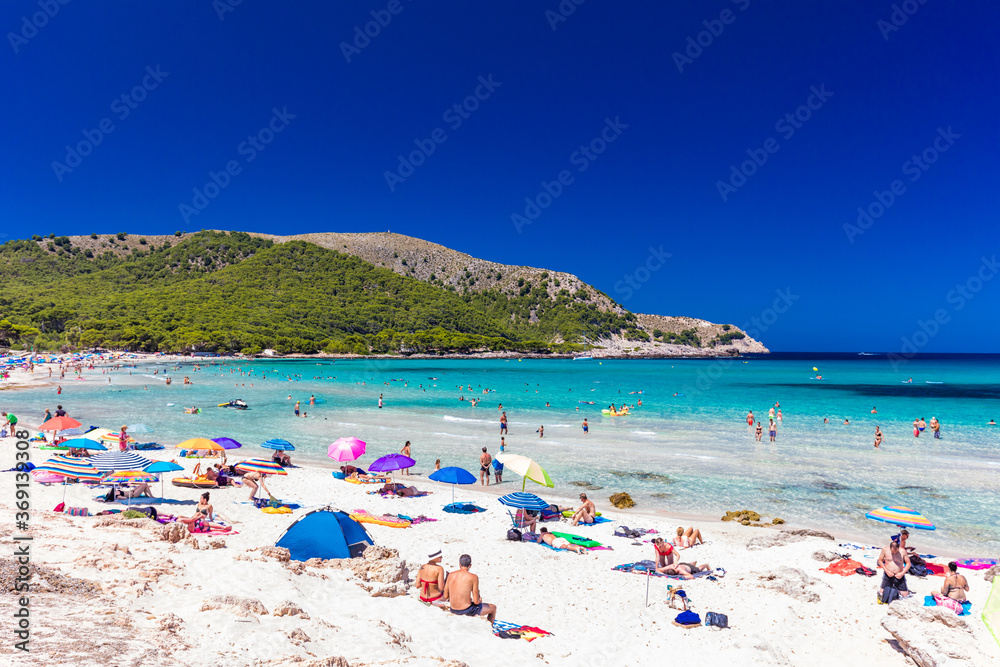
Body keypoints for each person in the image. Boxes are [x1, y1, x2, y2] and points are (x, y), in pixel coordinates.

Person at [442, 554, 496, 622]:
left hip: (453, 609)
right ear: (470, 565)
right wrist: (479, 600)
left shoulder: (450, 575)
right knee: (493, 608)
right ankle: (490, 630)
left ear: (459, 564)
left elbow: (445, 596)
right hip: (466, 610)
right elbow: (476, 602)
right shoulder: (473, 577)